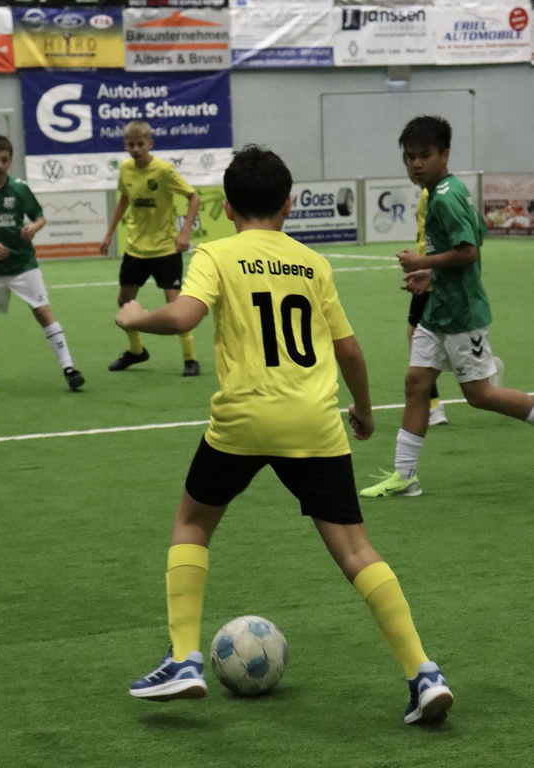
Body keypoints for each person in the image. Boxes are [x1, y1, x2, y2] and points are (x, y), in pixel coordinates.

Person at [116, 145, 453, 725]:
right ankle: (423, 673)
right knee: (356, 549)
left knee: (192, 523)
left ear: (228, 208)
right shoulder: (312, 263)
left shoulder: (216, 253)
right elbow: (349, 349)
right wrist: (364, 409)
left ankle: (183, 658)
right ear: (289, 205)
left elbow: (184, 315)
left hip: (245, 419)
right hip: (314, 421)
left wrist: (135, 317)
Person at [360, 116, 534, 499]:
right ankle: (405, 477)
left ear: (445, 155)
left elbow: (469, 251)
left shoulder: (444, 196)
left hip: (461, 314)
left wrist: (422, 262)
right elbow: (476, 236)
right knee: (416, 383)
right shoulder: (447, 190)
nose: (416, 164)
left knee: (480, 395)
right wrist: (431, 277)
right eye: (410, 157)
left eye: (424, 155)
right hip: (438, 311)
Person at [0, 135, 84, 393]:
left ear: (11, 161)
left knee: (43, 312)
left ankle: (69, 369)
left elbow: (40, 217)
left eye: (4, 160)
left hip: (24, 265)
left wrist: (33, 227)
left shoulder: (19, 189)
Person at [100, 120, 201, 377]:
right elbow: (124, 199)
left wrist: (185, 232)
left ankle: (190, 358)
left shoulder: (164, 170)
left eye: (140, 144)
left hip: (165, 249)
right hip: (136, 249)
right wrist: (109, 233)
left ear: (150, 144)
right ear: (125, 145)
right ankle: (136, 351)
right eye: (131, 145)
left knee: (175, 305)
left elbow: (193, 197)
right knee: (124, 301)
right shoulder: (125, 169)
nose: (136, 149)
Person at [405, 166, 448, 426]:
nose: (414, 166)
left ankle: (434, 405)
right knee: (427, 336)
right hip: (431, 274)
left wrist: (425, 267)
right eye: (410, 158)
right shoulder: (431, 193)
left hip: (434, 276)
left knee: (419, 337)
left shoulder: (432, 195)